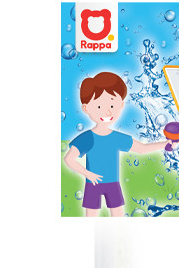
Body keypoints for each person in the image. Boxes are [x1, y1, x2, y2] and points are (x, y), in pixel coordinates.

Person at [63, 72, 168, 216]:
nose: (107, 112)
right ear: (86, 108)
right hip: (93, 184)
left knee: (118, 217)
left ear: (121, 105)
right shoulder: (87, 138)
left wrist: (166, 144)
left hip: (113, 184)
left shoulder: (117, 138)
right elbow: (69, 159)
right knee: (91, 217)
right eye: (99, 107)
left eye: (112, 105)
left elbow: (142, 149)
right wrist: (88, 174)